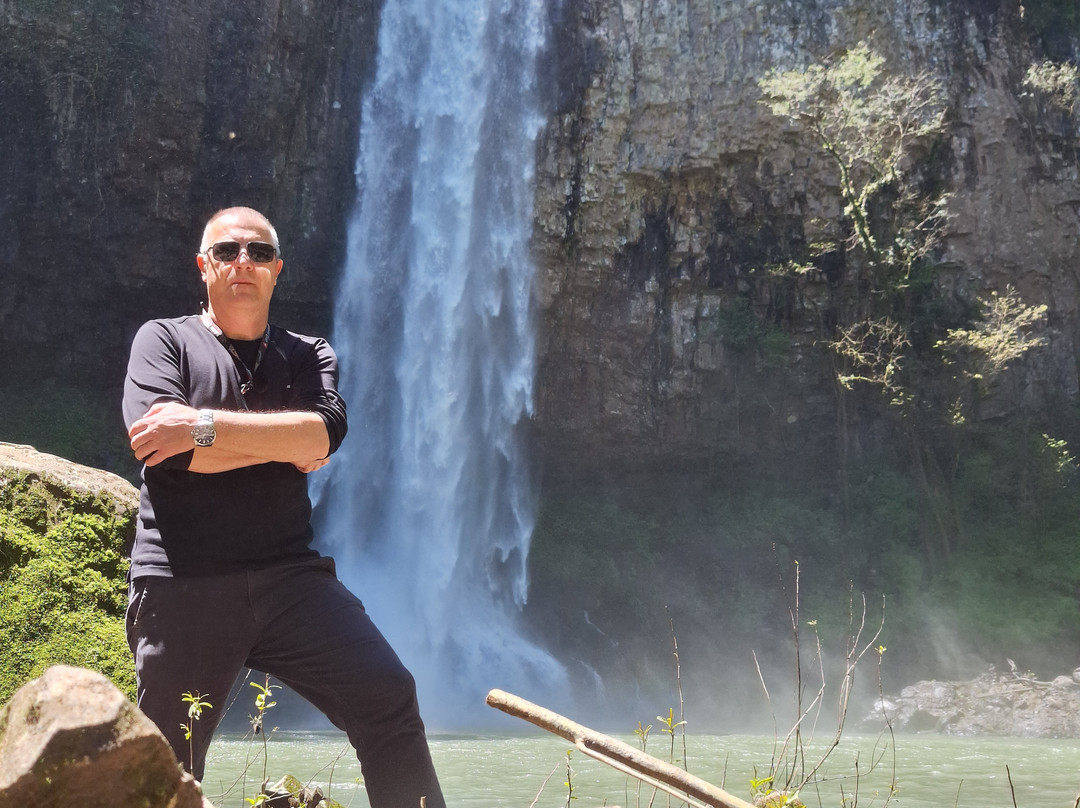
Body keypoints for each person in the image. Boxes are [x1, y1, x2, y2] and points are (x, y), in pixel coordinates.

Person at [122, 206, 446, 808]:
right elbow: (164, 451)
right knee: (168, 761)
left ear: (278, 269)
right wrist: (280, 442)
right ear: (203, 266)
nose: (243, 261)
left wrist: (201, 427)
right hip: (183, 581)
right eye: (227, 251)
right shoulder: (163, 340)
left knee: (388, 695)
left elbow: (321, 435)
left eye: (260, 252)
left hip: (290, 581)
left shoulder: (307, 354)